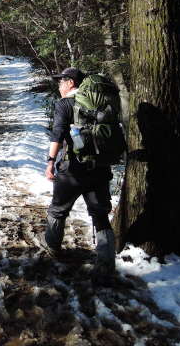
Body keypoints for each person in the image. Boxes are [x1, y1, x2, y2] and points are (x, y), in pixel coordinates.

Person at [39, 67, 116, 275]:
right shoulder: (101, 106)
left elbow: (57, 134)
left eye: (61, 82)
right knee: (100, 215)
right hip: (100, 168)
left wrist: (50, 161)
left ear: (70, 82)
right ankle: (106, 263)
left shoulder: (65, 104)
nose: (59, 86)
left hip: (72, 169)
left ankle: (52, 246)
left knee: (58, 210)